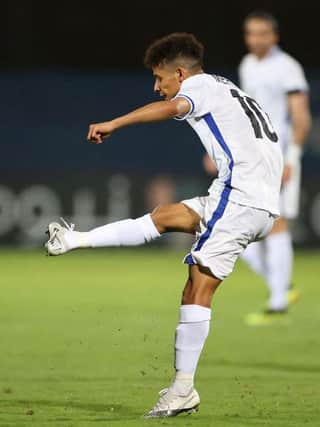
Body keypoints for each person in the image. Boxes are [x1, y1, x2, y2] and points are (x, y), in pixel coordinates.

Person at [45, 33, 282, 417]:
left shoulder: (200, 86)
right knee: (164, 217)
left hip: (241, 199)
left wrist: (115, 122)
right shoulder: (228, 87)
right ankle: (74, 240)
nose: (158, 88)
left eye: (160, 78)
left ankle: (183, 389)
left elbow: (174, 108)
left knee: (197, 287)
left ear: (181, 73)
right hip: (250, 197)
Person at [238, 11, 311, 325]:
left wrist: (292, 157)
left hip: (278, 154)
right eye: (251, 33)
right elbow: (247, 115)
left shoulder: (287, 67)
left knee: (276, 221)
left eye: (262, 33)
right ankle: (281, 288)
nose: (256, 39)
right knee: (241, 225)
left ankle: (279, 300)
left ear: (274, 36)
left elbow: (301, 116)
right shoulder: (247, 65)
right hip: (252, 154)